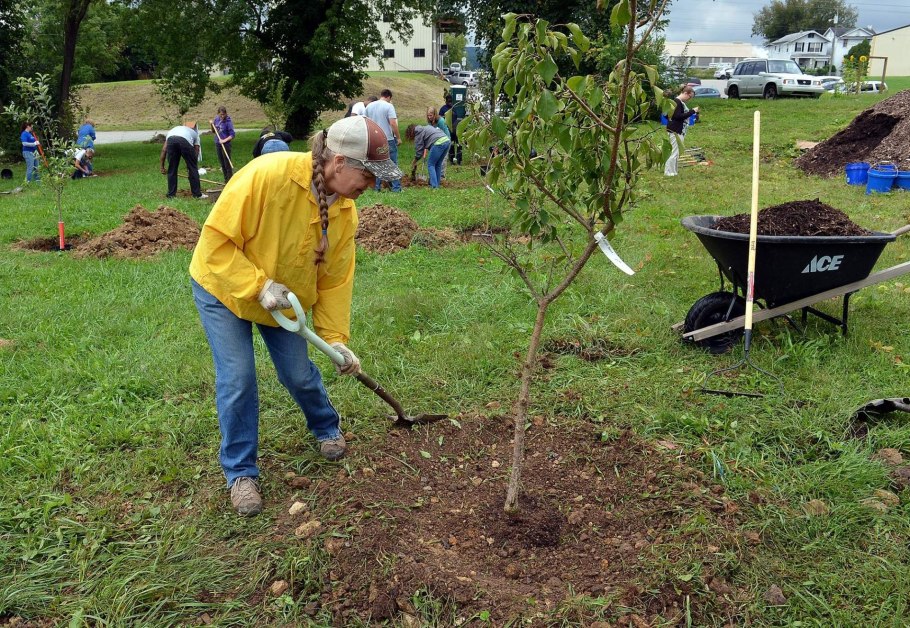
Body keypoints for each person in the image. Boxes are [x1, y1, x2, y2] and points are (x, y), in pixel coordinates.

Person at [189, 115, 403, 517]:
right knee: (238, 378)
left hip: (286, 301)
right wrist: (258, 286)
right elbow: (215, 244)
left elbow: (336, 281)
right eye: (368, 176)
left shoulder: (344, 212)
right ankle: (241, 473)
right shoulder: (268, 175)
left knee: (298, 373)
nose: (371, 187)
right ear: (339, 163)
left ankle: (326, 427)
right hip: (224, 287)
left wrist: (336, 338)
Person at [365, 89, 402, 192]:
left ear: (381, 95)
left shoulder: (369, 106)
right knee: (392, 163)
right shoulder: (389, 106)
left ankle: (376, 188)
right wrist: (398, 138)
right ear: (389, 97)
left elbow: (366, 123)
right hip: (387, 139)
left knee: (377, 163)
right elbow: (393, 123)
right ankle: (396, 188)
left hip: (374, 139)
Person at [159, 120, 207, 199]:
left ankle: (171, 195)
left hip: (172, 140)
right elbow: (197, 149)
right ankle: (197, 194)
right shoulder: (195, 134)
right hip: (184, 141)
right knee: (193, 169)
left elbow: (164, 150)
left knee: (172, 169)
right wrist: (192, 166)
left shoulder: (172, 131)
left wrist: (162, 167)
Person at [664, 85, 698, 177]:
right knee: (674, 152)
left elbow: (668, 115)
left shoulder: (679, 102)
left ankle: (673, 171)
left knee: (677, 151)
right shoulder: (677, 102)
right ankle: (668, 172)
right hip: (675, 130)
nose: (689, 99)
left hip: (677, 129)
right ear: (685, 93)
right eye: (690, 97)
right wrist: (692, 111)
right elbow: (677, 116)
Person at [405, 122, 450, 189]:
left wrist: (414, 161)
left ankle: (434, 186)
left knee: (430, 164)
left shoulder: (418, 134)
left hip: (438, 143)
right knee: (438, 164)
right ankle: (437, 184)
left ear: (411, 133)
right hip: (447, 141)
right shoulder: (426, 127)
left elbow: (419, 152)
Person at [211, 106, 235, 182]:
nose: (222, 116)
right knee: (222, 163)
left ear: (226, 113)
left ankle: (230, 181)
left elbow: (232, 135)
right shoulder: (216, 119)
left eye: (224, 114)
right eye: (221, 114)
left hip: (226, 144)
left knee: (227, 163)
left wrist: (224, 140)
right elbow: (214, 131)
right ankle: (226, 180)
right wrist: (211, 124)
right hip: (218, 143)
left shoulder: (228, 121)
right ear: (218, 114)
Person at [426, 106, 450, 180]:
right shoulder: (429, 122)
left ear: (435, 114)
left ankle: (441, 177)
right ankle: (435, 177)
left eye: (431, 115)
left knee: (442, 160)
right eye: (428, 115)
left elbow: (445, 134)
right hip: (436, 142)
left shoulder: (441, 121)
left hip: (445, 141)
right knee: (434, 160)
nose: (429, 117)